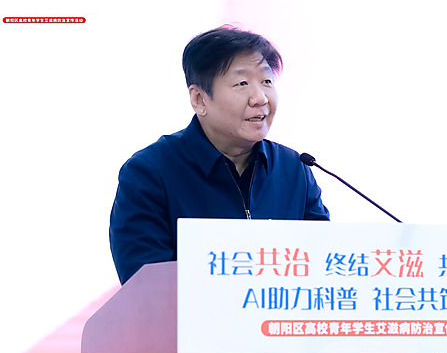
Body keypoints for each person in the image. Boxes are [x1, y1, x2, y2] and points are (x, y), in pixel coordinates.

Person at [109, 27, 330, 285]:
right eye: (242, 83)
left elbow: (322, 265)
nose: (260, 98)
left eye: (267, 81)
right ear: (199, 99)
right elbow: (146, 287)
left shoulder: (295, 169)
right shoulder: (149, 173)